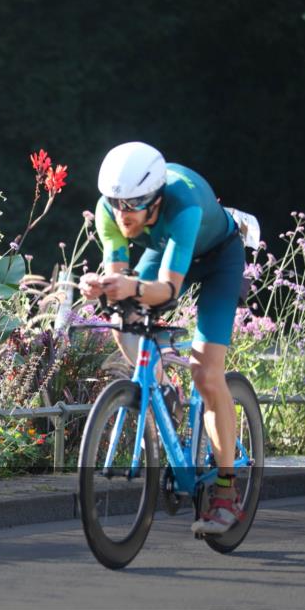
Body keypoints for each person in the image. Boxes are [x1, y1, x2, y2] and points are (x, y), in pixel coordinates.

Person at [79, 141, 247, 535]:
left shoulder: (182, 203)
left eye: (134, 204)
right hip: (166, 248)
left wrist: (129, 286)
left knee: (206, 374)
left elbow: (168, 290)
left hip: (217, 259)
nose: (124, 214)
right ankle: (161, 389)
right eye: (117, 203)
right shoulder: (111, 210)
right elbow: (119, 275)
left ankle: (226, 492)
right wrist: (102, 286)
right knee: (125, 316)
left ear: (155, 199)